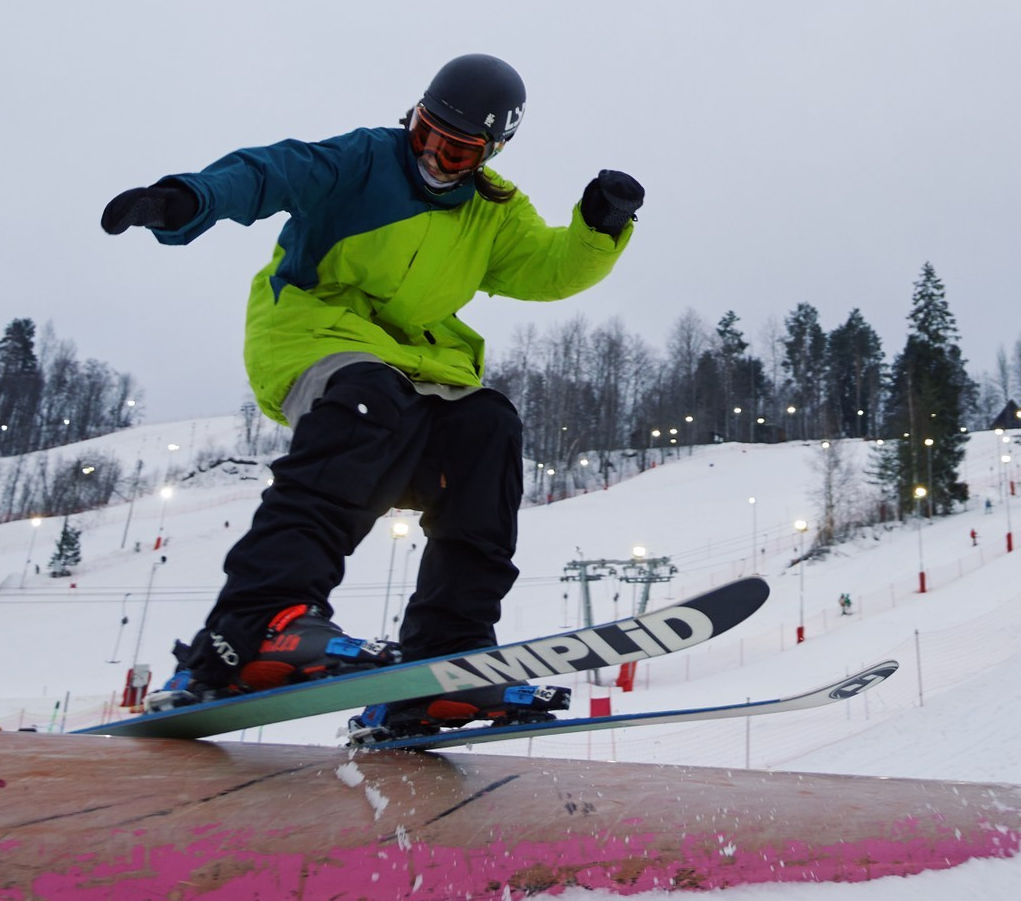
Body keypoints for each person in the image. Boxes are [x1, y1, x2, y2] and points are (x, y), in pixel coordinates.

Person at [102, 54, 641, 727]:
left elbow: (551, 269)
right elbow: (273, 170)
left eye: (457, 149)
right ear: (412, 117)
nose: (434, 158)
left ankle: (450, 652)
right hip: (310, 332)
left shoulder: (493, 212)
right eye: (424, 134)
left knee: (489, 427)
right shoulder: (364, 160)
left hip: (416, 361)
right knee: (370, 398)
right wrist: (192, 197)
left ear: (487, 152)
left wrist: (600, 226)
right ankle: (257, 620)